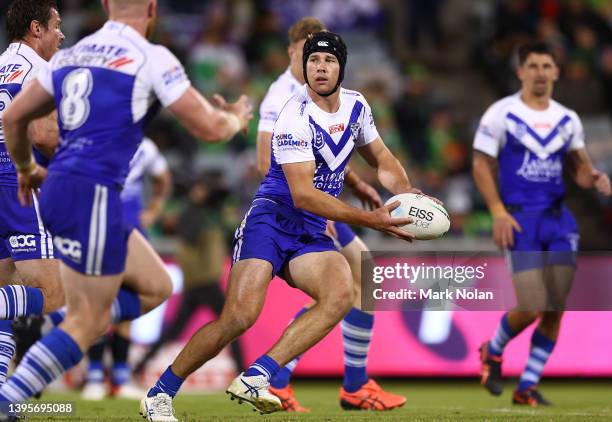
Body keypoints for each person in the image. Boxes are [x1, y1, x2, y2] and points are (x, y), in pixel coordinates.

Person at [143, 30, 424, 421]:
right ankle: (160, 393)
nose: (320, 67)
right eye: (313, 61)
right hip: (272, 221)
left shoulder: (358, 106)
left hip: (310, 229)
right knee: (238, 317)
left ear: (342, 67)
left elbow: (383, 159)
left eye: (327, 60)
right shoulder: (295, 114)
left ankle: (258, 374)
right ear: (303, 66)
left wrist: (410, 193)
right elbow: (303, 194)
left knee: (341, 293)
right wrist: (369, 220)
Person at [0, 0, 252, 414]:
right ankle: (9, 399)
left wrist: (27, 167)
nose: (60, 31)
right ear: (152, 9)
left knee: (156, 286)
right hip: (89, 189)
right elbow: (208, 127)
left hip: (62, 186)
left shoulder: (73, 55)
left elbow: (13, 120)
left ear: (105, 6)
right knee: (74, 312)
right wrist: (236, 119)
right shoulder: (150, 56)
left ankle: (38, 377)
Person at [256, 17, 405, 412]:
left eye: (327, 57)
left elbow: (334, 149)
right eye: (310, 53)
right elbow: (264, 163)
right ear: (294, 52)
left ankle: (345, 384)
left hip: (322, 204)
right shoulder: (281, 100)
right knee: (341, 290)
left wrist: (355, 183)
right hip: (299, 211)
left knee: (360, 281)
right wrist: (314, 205)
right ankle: (288, 379)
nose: (319, 64)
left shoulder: (341, 99)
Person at [473, 41, 611, 406]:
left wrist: (594, 177)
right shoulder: (501, 114)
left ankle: (527, 386)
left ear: (556, 71)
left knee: (555, 307)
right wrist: (497, 211)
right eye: (531, 65)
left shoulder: (568, 119)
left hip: (557, 219)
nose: (539, 72)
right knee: (533, 304)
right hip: (520, 219)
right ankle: (493, 348)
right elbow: (480, 164)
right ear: (520, 72)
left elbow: (579, 170)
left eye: (545, 65)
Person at [0, 0, 65, 387]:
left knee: (9, 292)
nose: (62, 34)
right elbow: (43, 136)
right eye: (57, 25)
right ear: (36, 28)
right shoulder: (41, 70)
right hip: (19, 180)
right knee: (55, 296)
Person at [82, 137, 172, 401]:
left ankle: (120, 377)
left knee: (128, 304)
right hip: (100, 228)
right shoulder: (96, 138)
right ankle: (95, 375)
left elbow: (163, 177)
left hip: (134, 232)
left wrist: (155, 208)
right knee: (99, 300)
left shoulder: (145, 146)